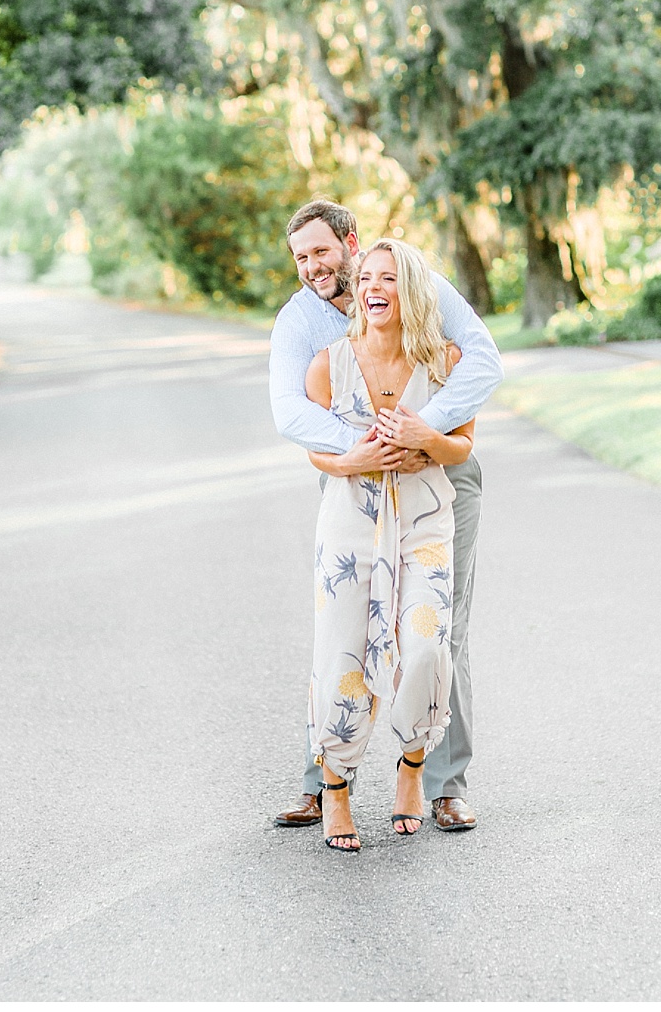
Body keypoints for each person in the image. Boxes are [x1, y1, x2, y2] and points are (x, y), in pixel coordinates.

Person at [267, 199, 501, 835]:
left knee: (438, 627)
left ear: (351, 241)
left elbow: (483, 359)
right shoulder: (300, 325)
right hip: (358, 482)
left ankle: (444, 785)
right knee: (341, 629)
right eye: (301, 258)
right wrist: (360, 449)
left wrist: (424, 431)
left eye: (322, 251)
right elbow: (290, 412)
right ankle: (324, 784)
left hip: (440, 479)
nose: (314, 267)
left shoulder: (415, 282)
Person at [302, 238, 475, 850]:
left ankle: (411, 763)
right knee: (342, 654)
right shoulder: (329, 362)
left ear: (413, 291)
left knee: (427, 646)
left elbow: (462, 448)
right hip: (350, 522)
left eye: (391, 279)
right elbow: (317, 450)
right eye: (368, 278)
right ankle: (338, 787)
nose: (375, 288)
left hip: (425, 519)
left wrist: (425, 437)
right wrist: (357, 459)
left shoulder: (445, 361)